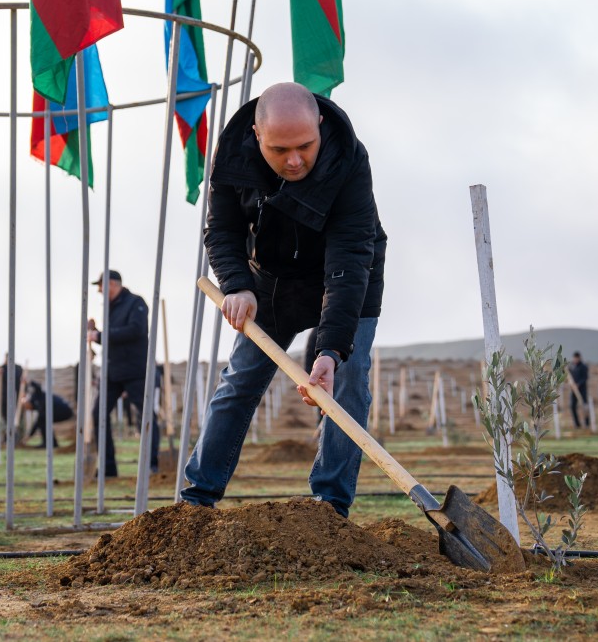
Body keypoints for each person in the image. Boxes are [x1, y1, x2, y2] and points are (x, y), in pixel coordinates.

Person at [182, 82, 387, 518]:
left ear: (320, 125)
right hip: (271, 279)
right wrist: (236, 284)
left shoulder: (349, 159)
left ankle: (329, 506)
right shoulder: (233, 156)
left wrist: (330, 348)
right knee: (239, 380)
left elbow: (350, 257)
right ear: (258, 137)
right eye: (280, 150)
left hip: (351, 274)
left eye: (305, 147)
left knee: (347, 381)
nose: (295, 160)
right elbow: (221, 231)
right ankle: (197, 499)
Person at [87, 270, 157, 477]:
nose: (99, 291)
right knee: (98, 414)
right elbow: (112, 336)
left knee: (145, 415)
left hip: (134, 369)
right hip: (112, 370)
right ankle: (108, 468)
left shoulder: (136, 303)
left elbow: (135, 330)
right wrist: (96, 331)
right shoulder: (109, 307)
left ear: (112, 284)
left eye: (101, 286)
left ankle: (152, 465)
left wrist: (99, 335)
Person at [22, 378, 74, 449]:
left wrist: (29, 382)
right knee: (43, 420)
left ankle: (48, 443)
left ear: (27, 402)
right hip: (60, 411)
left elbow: (37, 387)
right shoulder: (38, 407)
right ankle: (52, 443)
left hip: (65, 410)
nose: (27, 409)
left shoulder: (36, 396)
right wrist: (29, 436)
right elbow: (37, 423)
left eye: (26, 406)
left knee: (43, 420)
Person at [568, 351, 590, 429]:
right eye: (574, 358)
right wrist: (571, 384)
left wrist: (578, 384)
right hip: (573, 390)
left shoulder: (583, 367)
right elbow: (568, 376)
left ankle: (587, 424)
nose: (575, 359)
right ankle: (577, 424)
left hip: (582, 390)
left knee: (584, 406)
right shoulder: (571, 366)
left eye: (576, 358)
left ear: (579, 358)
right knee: (572, 406)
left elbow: (585, 378)